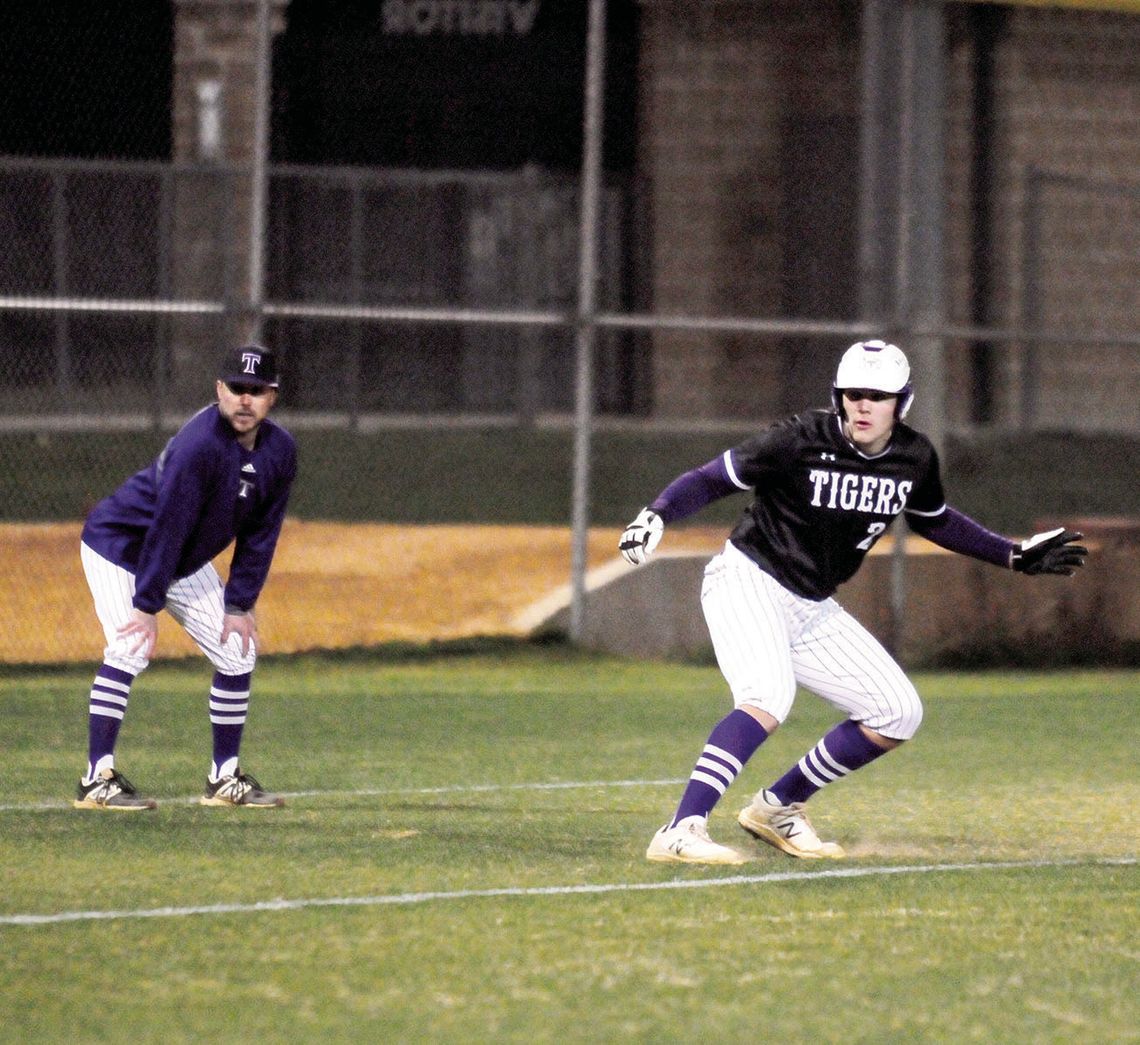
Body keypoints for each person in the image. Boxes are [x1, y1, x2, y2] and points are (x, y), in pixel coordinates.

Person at [620, 339, 1087, 864]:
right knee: (767, 697)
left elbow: (935, 519)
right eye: (854, 394)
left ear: (902, 403)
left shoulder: (913, 456)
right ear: (838, 396)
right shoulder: (798, 438)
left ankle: (777, 807)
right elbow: (711, 479)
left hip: (811, 603)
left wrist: (1011, 555)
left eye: (879, 396)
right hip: (748, 578)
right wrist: (656, 514)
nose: (864, 405)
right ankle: (681, 829)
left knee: (897, 711)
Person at [74, 344, 298, 810]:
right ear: (219, 389)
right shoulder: (199, 446)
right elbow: (168, 526)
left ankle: (224, 777)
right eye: (236, 388)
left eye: (256, 391)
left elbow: (261, 532)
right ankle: (96, 779)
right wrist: (146, 605)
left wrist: (239, 605)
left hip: (179, 559)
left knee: (237, 650)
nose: (244, 400)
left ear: (272, 396)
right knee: (128, 647)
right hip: (122, 547)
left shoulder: (280, 452)